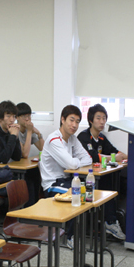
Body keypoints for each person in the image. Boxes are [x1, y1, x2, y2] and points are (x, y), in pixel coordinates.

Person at [40, 105, 92, 248]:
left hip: (67, 180)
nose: (74, 125)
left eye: (77, 121)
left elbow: (88, 159)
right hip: (52, 184)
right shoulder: (54, 140)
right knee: (77, 194)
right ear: (62, 120)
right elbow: (70, 164)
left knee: (87, 192)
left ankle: (76, 233)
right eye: (71, 120)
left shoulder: (72, 138)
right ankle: (70, 236)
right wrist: (74, 162)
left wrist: (75, 163)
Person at [77, 103, 126, 240]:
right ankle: (110, 222)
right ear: (91, 120)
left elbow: (114, 151)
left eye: (104, 118)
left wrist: (127, 156)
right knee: (107, 186)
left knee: (117, 182)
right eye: (98, 118)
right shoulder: (84, 136)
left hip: (97, 176)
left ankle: (112, 221)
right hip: (83, 179)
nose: (102, 121)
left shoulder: (102, 138)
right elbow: (92, 156)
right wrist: (112, 157)